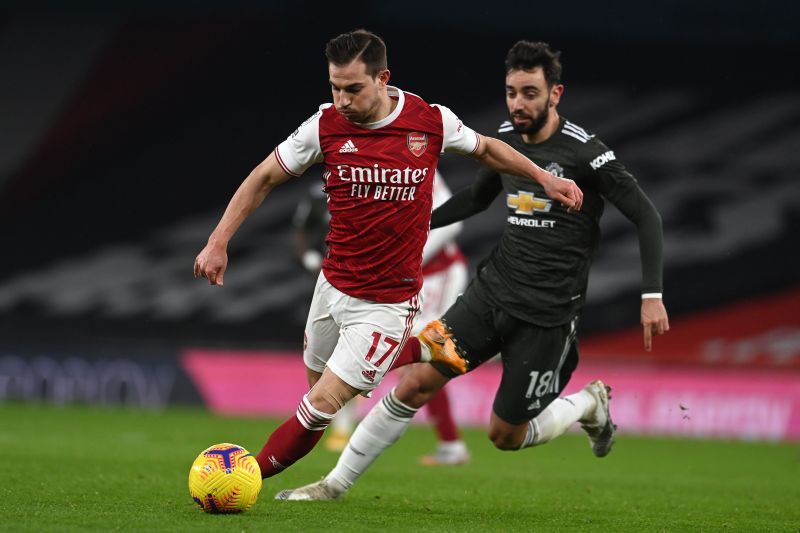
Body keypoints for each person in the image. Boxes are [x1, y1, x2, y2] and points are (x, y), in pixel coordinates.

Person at [275, 40, 669, 501]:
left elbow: (647, 216)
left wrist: (652, 295)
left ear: (555, 94)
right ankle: (334, 485)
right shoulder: (507, 139)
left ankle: (588, 403)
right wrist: (419, 221)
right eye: (511, 92)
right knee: (416, 383)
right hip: (491, 293)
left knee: (505, 434)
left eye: (529, 93)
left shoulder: (587, 155)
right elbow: (477, 199)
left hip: (547, 314)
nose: (517, 104)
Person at [193, 31, 583, 482]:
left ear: (383, 79)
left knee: (320, 406)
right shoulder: (323, 127)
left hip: (388, 303)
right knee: (317, 391)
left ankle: (241, 477)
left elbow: (488, 149)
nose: (341, 100)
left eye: (353, 88)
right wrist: (218, 241)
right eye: (335, 88)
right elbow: (263, 176)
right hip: (332, 286)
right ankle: (422, 346)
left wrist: (543, 178)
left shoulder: (430, 121)